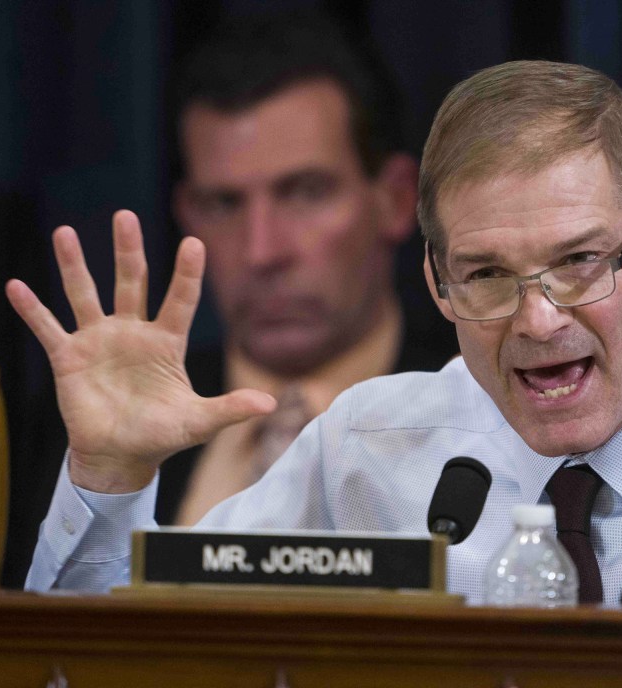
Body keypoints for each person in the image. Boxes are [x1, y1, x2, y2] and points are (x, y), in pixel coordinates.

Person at [12, 61, 622, 608]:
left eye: (580, 262)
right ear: (435, 280)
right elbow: (118, 653)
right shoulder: (369, 447)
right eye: (488, 277)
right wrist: (109, 478)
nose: (538, 322)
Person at [159, 12, 456, 524]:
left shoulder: (493, 413)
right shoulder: (108, 434)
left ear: (396, 199)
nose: (262, 252)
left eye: (305, 193)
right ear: (187, 217)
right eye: (224, 204)